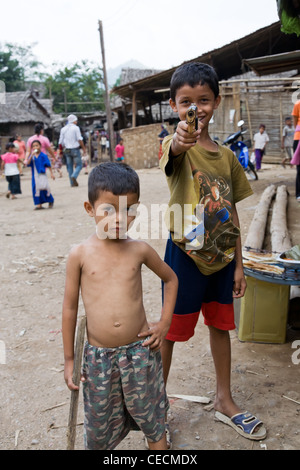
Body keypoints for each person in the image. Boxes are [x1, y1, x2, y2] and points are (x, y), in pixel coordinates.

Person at [159, 62, 267, 443]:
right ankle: (156, 408)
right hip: (183, 258)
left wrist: (239, 264)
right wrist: (179, 139)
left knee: (221, 327)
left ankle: (224, 399)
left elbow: (233, 211)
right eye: (186, 101)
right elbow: (173, 152)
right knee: (169, 333)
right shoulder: (177, 148)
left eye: (203, 100)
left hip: (221, 259)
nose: (196, 107)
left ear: (216, 102)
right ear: (175, 105)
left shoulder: (227, 158)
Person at [62, 162, 178, 450]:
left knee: (153, 417)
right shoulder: (79, 255)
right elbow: (69, 309)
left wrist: (164, 323)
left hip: (140, 353)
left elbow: (171, 278)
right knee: (101, 428)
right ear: (90, 209)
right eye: (109, 209)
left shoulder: (139, 249)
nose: (120, 218)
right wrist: (69, 359)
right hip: (98, 360)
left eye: (129, 208)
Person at [25, 140, 55, 210]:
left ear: (40, 146)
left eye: (37, 145)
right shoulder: (32, 157)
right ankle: (38, 204)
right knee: (35, 189)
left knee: (44, 188)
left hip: (42, 175)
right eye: (33, 146)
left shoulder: (43, 155)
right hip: (34, 176)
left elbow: (48, 165)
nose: (35, 147)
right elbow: (28, 164)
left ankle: (50, 200)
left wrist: (51, 174)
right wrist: (31, 155)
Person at [59, 115, 87, 187]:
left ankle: (72, 183)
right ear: (74, 121)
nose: (76, 122)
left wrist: (60, 151)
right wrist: (83, 148)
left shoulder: (63, 129)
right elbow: (79, 139)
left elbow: (60, 142)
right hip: (75, 149)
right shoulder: (76, 128)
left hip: (67, 150)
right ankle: (74, 176)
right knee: (79, 165)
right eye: (76, 120)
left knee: (70, 166)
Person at [292, 100, 300, 201]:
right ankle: (299, 193)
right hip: (299, 139)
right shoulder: (298, 104)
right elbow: (295, 119)